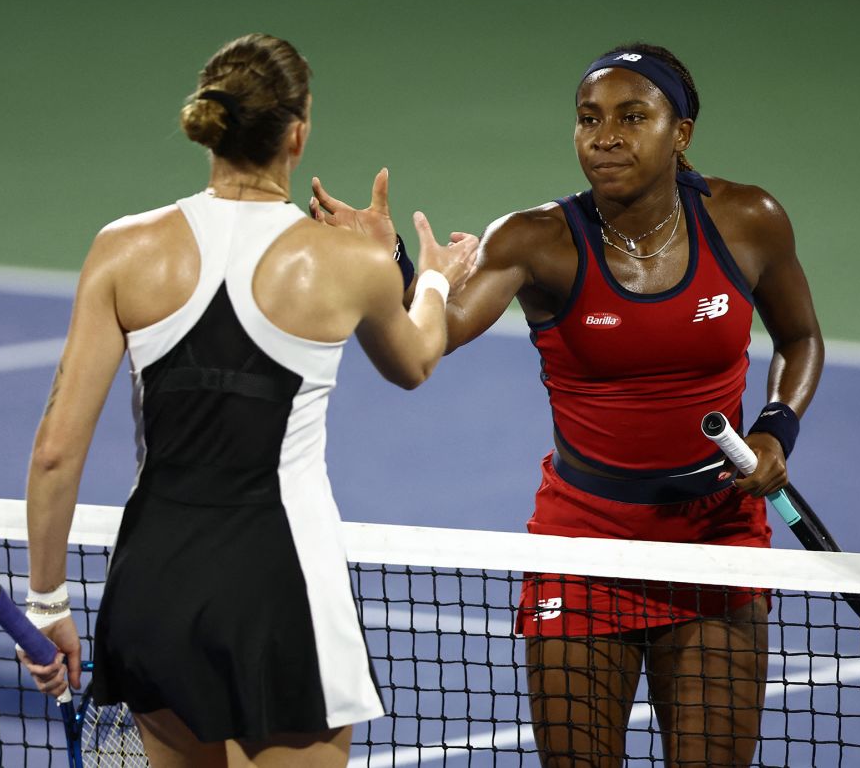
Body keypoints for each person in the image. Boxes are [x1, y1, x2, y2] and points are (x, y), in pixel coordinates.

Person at [310, 43, 823, 766]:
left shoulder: (748, 221)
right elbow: (434, 331)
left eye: (631, 117)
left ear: (681, 133)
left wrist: (775, 431)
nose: (604, 137)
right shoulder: (536, 240)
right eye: (588, 119)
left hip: (716, 539)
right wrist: (387, 262)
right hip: (581, 548)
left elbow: (800, 339)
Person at [16, 33, 478, 768]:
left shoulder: (122, 250)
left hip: (156, 581)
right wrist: (428, 275)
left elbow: (54, 452)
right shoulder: (348, 261)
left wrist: (46, 604)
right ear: (297, 132)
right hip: (281, 587)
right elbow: (416, 359)